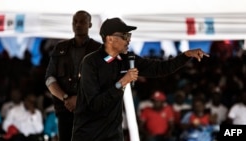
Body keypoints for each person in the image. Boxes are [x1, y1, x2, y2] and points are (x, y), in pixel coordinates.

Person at [71, 17, 209, 141]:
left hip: (112, 133)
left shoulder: (127, 59)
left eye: (129, 35)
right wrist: (122, 82)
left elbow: (160, 68)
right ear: (110, 38)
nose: (129, 39)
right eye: (125, 35)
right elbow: (95, 104)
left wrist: (185, 56)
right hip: (88, 133)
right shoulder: (91, 63)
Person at [45, 10, 101, 141]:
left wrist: (80, 99)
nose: (78, 25)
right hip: (65, 110)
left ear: (90, 25)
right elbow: (49, 78)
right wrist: (65, 98)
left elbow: (103, 81)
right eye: (75, 22)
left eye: (82, 22)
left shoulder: (98, 49)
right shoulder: (60, 48)